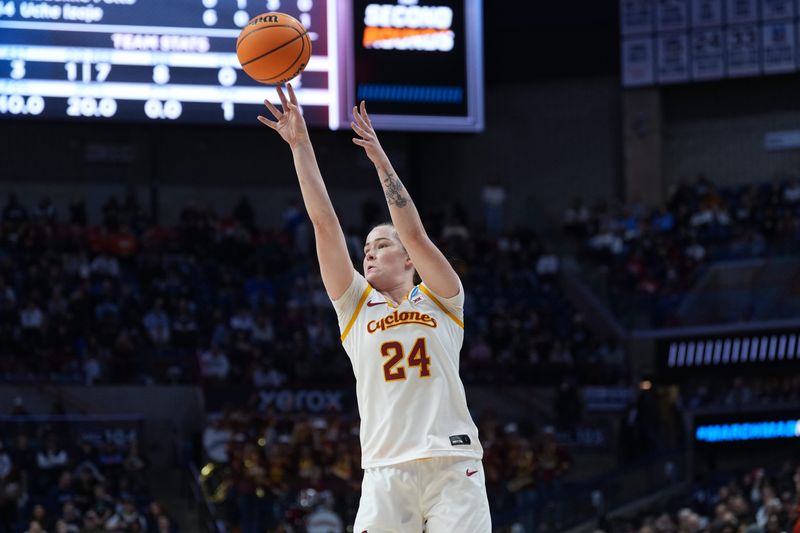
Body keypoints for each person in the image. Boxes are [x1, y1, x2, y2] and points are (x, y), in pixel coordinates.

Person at [259, 85, 491, 532]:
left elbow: (417, 235)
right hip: (387, 468)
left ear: (408, 260)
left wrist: (381, 161)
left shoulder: (443, 297)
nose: (368, 253)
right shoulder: (354, 305)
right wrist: (301, 146)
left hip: (453, 461)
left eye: (381, 245)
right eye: (365, 247)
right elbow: (324, 224)